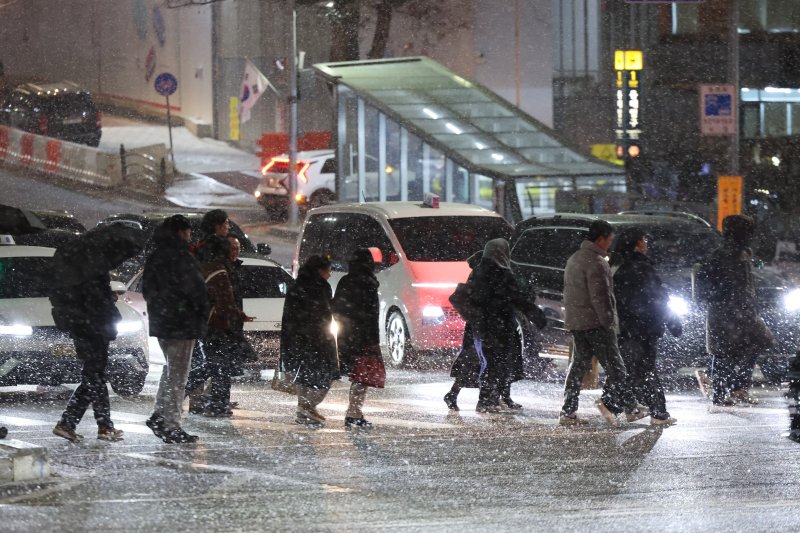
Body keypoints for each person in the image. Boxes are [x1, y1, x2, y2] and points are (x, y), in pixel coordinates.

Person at [559, 220, 643, 427]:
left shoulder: (575, 258)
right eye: (609, 240)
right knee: (617, 368)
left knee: (578, 367)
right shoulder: (596, 262)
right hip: (596, 323)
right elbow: (601, 297)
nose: (610, 244)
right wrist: (608, 322)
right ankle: (627, 407)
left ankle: (568, 411)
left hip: (577, 322)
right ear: (600, 239)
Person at [143, 215, 210, 443]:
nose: (190, 236)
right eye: (188, 231)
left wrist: (163, 309)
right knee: (178, 376)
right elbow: (196, 291)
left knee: (171, 370)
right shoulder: (182, 256)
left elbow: (148, 290)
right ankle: (171, 424)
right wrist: (200, 314)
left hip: (163, 323)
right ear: (182, 232)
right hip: (182, 324)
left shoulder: (156, 255)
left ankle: (159, 415)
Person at [699, 214, 773, 406]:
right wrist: (727, 300)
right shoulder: (722, 255)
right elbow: (711, 287)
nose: (750, 236)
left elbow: (746, 286)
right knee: (726, 353)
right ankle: (722, 391)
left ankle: (737, 388)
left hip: (743, 312)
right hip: (727, 313)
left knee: (753, 344)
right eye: (747, 232)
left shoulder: (743, 253)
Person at [611, 227, 680, 426]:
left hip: (626, 328)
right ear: (638, 244)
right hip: (645, 329)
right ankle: (658, 413)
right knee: (646, 370)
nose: (646, 244)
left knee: (633, 370)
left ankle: (628, 407)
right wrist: (673, 322)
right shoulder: (642, 268)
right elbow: (659, 299)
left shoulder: (619, 267)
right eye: (644, 240)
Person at [468, 239, 545, 413]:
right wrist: (536, 315)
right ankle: (487, 401)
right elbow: (516, 298)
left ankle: (490, 399)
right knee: (498, 362)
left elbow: (474, 299)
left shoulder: (478, 272)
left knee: (490, 362)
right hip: (500, 325)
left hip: (482, 325)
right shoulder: (502, 273)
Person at [50, 272, 126, 443]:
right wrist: (107, 303)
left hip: (88, 328)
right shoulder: (90, 271)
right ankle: (103, 426)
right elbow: (95, 300)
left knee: (92, 378)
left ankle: (68, 423)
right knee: (95, 377)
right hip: (92, 329)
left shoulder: (80, 271)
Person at [197, 235, 252, 417]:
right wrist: (237, 314)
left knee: (220, 367)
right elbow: (225, 300)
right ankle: (215, 403)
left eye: (237, 248)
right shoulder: (219, 269)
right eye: (232, 248)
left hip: (226, 325)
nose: (235, 251)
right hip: (220, 326)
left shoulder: (231, 268)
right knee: (217, 367)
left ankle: (218, 402)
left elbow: (230, 298)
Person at [280, 255, 338, 427]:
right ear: (320, 270)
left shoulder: (297, 285)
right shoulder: (321, 287)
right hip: (317, 337)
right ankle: (309, 406)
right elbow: (325, 312)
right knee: (326, 375)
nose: (330, 274)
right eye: (328, 271)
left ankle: (303, 408)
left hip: (296, 337)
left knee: (304, 374)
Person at [332, 248, 381, 429]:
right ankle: (353, 412)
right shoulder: (368, 282)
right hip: (365, 336)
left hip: (348, 335)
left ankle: (354, 412)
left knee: (357, 375)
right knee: (361, 377)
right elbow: (370, 313)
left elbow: (337, 308)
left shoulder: (347, 281)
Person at [443, 250, 483, 411]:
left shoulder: (479, 274)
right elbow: (458, 298)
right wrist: (472, 315)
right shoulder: (479, 275)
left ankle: (455, 394)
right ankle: (454, 394)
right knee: (474, 361)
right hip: (478, 325)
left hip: (479, 324)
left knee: (478, 361)